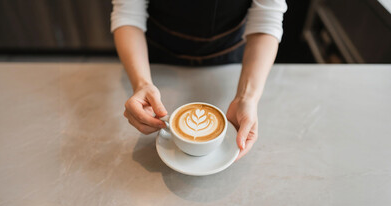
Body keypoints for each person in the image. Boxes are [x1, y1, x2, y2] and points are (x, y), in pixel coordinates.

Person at [111, 0, 287, 160]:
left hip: (227, 55)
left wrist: (246, 97)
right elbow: (128, 14)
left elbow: (267, 19)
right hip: (156, 56)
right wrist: (142, 84)